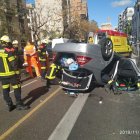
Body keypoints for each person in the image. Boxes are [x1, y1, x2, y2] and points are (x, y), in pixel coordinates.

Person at [0, 35, 28, 111]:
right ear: (6, 43)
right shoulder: (8, 51)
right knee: (17, 88)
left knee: (5, 90)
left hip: (2, 76)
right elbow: (14, 64)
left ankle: (9, 105)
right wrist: (18, 74)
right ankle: (19, 104)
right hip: (11, 75)